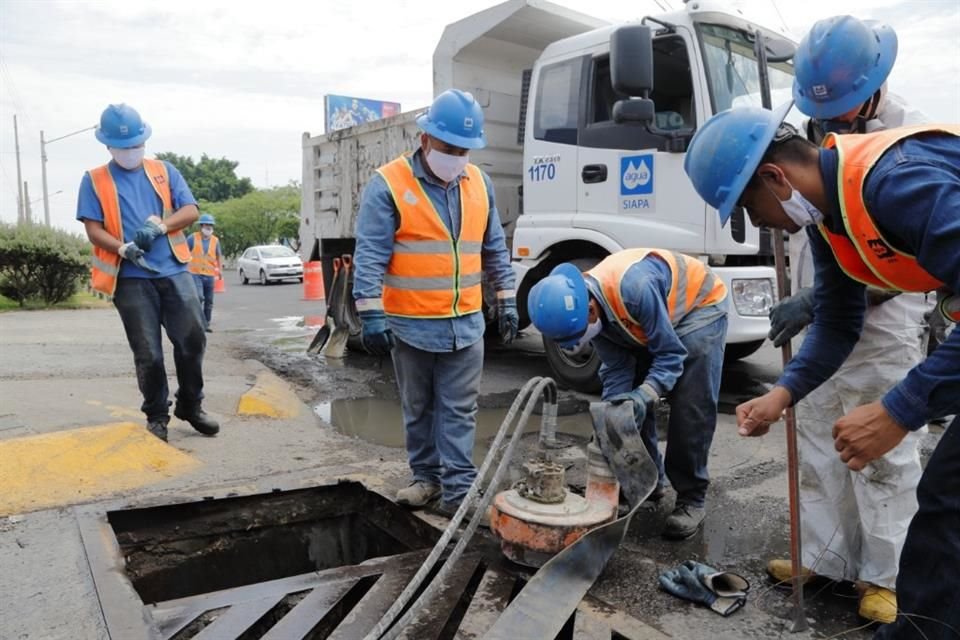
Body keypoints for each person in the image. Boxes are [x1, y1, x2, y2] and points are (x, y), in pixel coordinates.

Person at [684, 101, 959, 638]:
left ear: (773, 177)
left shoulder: (896, 183)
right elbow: (837, 321)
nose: (758, 224)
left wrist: (897, 410)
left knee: (945, 508)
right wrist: (782, 394)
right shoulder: (830, 219)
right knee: (946, 507)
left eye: (750, 209)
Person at [761, 15, 933, 624]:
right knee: (817, 442)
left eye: (844, 113)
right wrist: (819, 305)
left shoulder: (904, 145)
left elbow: (899, 258)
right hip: (827, 314)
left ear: (874, 87)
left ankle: (885, 576)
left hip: (884, 321)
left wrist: (828, 302)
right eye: (824, 115)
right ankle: (827, 556)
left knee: (884, 453)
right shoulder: (816, 133)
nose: (834, 125)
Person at [352, 89, 518, 517]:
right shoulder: (388, 183)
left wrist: (507, 299)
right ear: (425, 139)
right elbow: (370, 253)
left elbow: (494, 247)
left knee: (460, 411)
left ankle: (459, 493)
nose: (457, 156)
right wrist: (369, 312)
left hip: (465, 321)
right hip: (410, 324)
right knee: (419, 408)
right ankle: (425, 479)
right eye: (448, 147)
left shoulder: (478, 183)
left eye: (464, 150)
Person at [527, 249, 729, 539]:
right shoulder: (586, 309)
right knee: (625, 408)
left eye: (582, 334)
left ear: (591, 310)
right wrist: (613, 417)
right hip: (654, 316)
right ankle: (647, 484)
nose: (582, 343)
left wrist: (646, 394)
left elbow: (670, 355)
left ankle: (692, 498)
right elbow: (618, 369)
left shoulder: (635, 290)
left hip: (699, 307)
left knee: (689, 404)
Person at [76, 103, 219, 442]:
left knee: (193, 339)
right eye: (124, 147)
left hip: (173, 269)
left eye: (137, 145)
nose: (131, 152)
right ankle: (157, 416)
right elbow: (93, 229)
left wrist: (161, 227)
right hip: (131, 278)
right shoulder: (94, 180)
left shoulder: (164, 170)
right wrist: (121, 247)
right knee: (148, 354)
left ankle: (190, 404)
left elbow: (190, 210)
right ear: (108, 146)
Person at [187, 213, 223, 332]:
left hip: (209, 274)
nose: (209, 228)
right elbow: (184, 252)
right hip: (195, 273)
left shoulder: (215, 241)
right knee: (199, 297)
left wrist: (220, 271)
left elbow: (218, 256)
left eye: (211, 225)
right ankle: (198, 322)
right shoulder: (193, 238)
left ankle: (206, 323)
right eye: (207, 225)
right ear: (201, 226)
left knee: (209, 300)